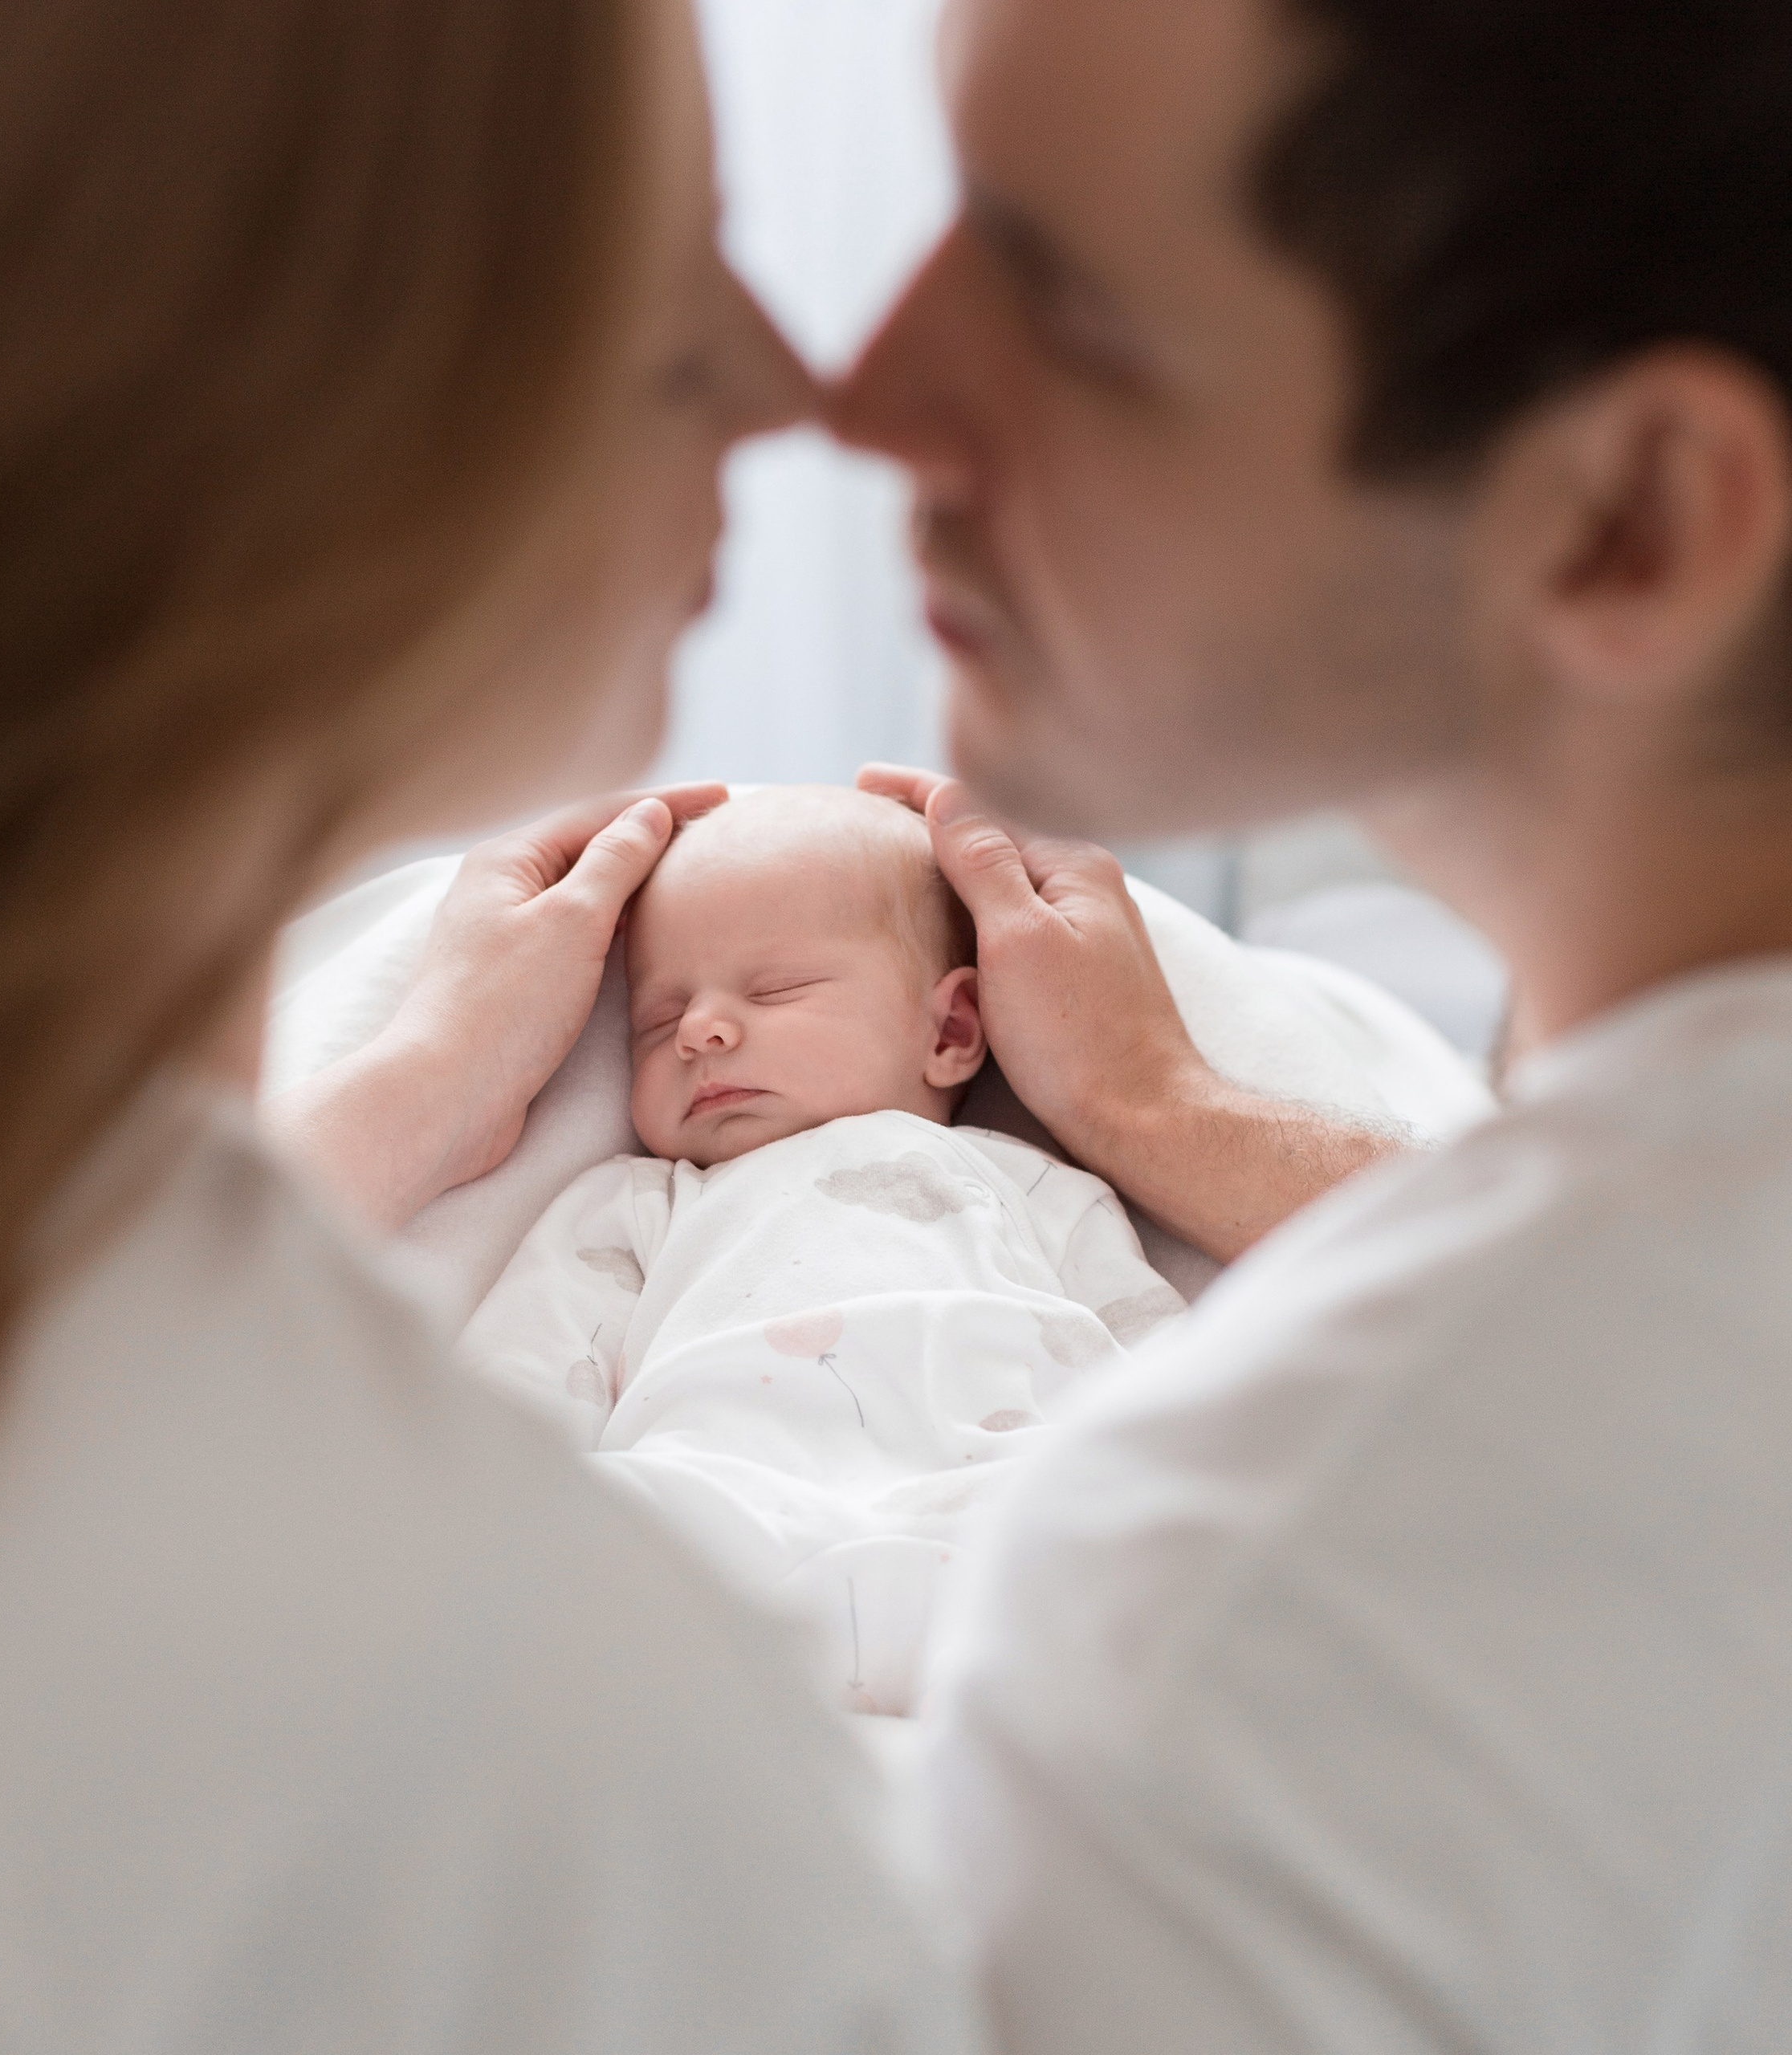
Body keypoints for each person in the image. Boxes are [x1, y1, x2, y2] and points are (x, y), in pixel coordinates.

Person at [0, 2, 982, 2049]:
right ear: (280, 417)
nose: (789, 385)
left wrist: (394, 1101)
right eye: (667, 288)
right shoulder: (558, 1763)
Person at [828, 0, 1792, 2046]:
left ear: (1624, 515)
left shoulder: (1254, 1637)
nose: (866, 394)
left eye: (1066, 309)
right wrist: (1166, 1105)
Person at [459, 786, 1182, 1715]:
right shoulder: (642, 1202)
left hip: (992, 1515)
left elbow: (1173, 1372)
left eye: (774, 991)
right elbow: (514, 1389)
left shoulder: (1035, 1186)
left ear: (951, 1029)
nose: (700, 1030)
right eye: (657, 1021)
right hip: (720, 1513)